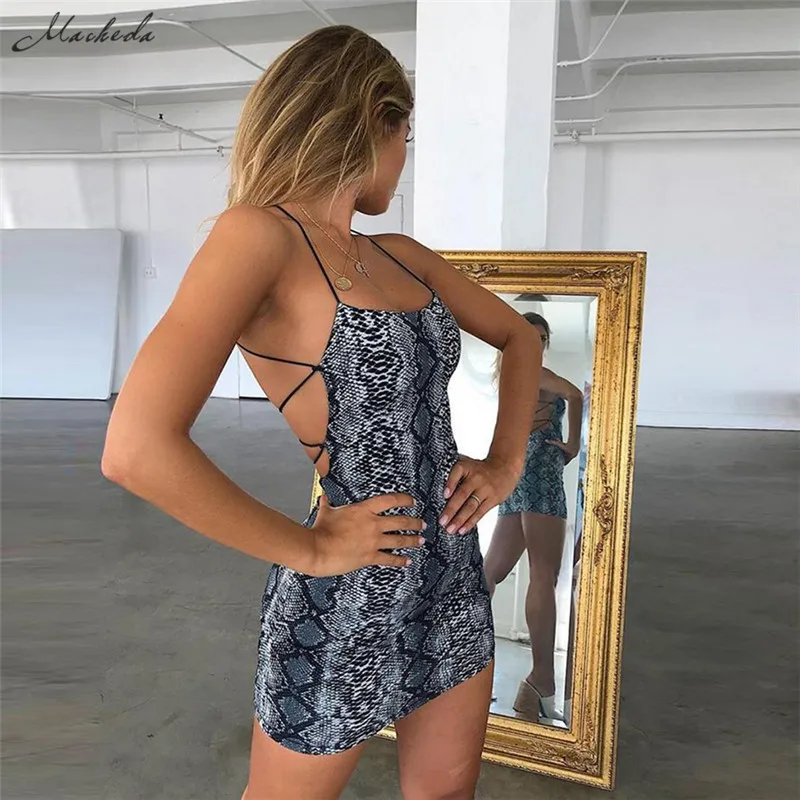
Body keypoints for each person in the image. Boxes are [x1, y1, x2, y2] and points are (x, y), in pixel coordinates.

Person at [101, 25, 542, 800]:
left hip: (451, 578)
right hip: (349, 592)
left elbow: (519, 337)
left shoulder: (401, 254)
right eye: (406, 137)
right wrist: (308, 548)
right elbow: (135, 448)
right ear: (376, 120)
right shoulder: (257, 236)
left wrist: (506, 463)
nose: (404, 160)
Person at [482, 312, 584, 723]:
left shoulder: (509, 378)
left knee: (489, 572)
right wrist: (573, 445)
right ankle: (541, 678)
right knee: (544, 574)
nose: (538, 344)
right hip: (540, 470)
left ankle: (454, 654)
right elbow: (575, 395)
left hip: (517, 474)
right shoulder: (538, 374)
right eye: (532, 336)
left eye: (543, 338)